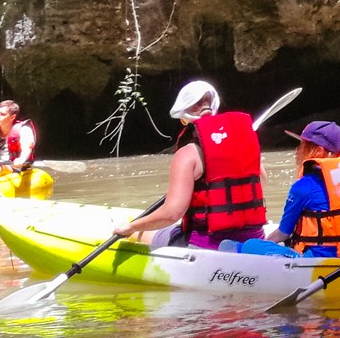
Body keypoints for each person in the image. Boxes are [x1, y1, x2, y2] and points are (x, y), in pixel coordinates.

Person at [114, 81, 267, 249]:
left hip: (207, 245)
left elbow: (172, 214)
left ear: (184, 118)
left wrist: (132, 226)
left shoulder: (187, 154)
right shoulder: (243, 145)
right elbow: (261, 184)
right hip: (253, 240)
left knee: (139, 233)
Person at [261, 120, 340, 257]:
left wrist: (265, 244)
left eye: (302, 145)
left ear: (318, 151)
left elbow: (283, 234)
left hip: (314, 261)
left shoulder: (303, 186)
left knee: (250, 245)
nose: (297, 151)